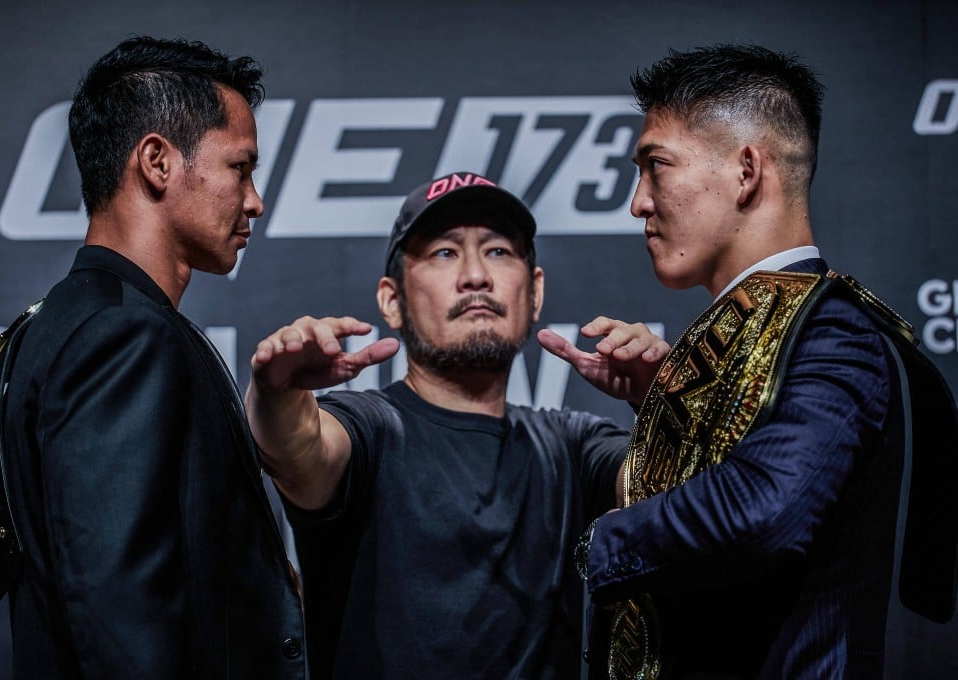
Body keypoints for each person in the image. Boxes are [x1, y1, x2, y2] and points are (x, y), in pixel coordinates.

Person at [576, 43, 958, 679]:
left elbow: (761, 511)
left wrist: (604, 542)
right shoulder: (766, 324)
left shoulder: (833, 331)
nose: (638, 202)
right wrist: (668, 412)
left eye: (657, 166)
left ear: (747, 171)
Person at [245, 171, 670, 679]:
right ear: (391, 300)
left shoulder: (573, 446)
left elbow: (700, 497)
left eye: (498, 252)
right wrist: (278, 390)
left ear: (534, 293)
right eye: (444, 253)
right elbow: (298, 449)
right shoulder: (370, 429)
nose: (475, 276)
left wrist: (664, 403)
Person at [0, 36, 306, 678]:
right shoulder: (122, 336)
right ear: (157, 162)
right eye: (239, 168)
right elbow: (120, 610)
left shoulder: (68, 320)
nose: (255, 201)